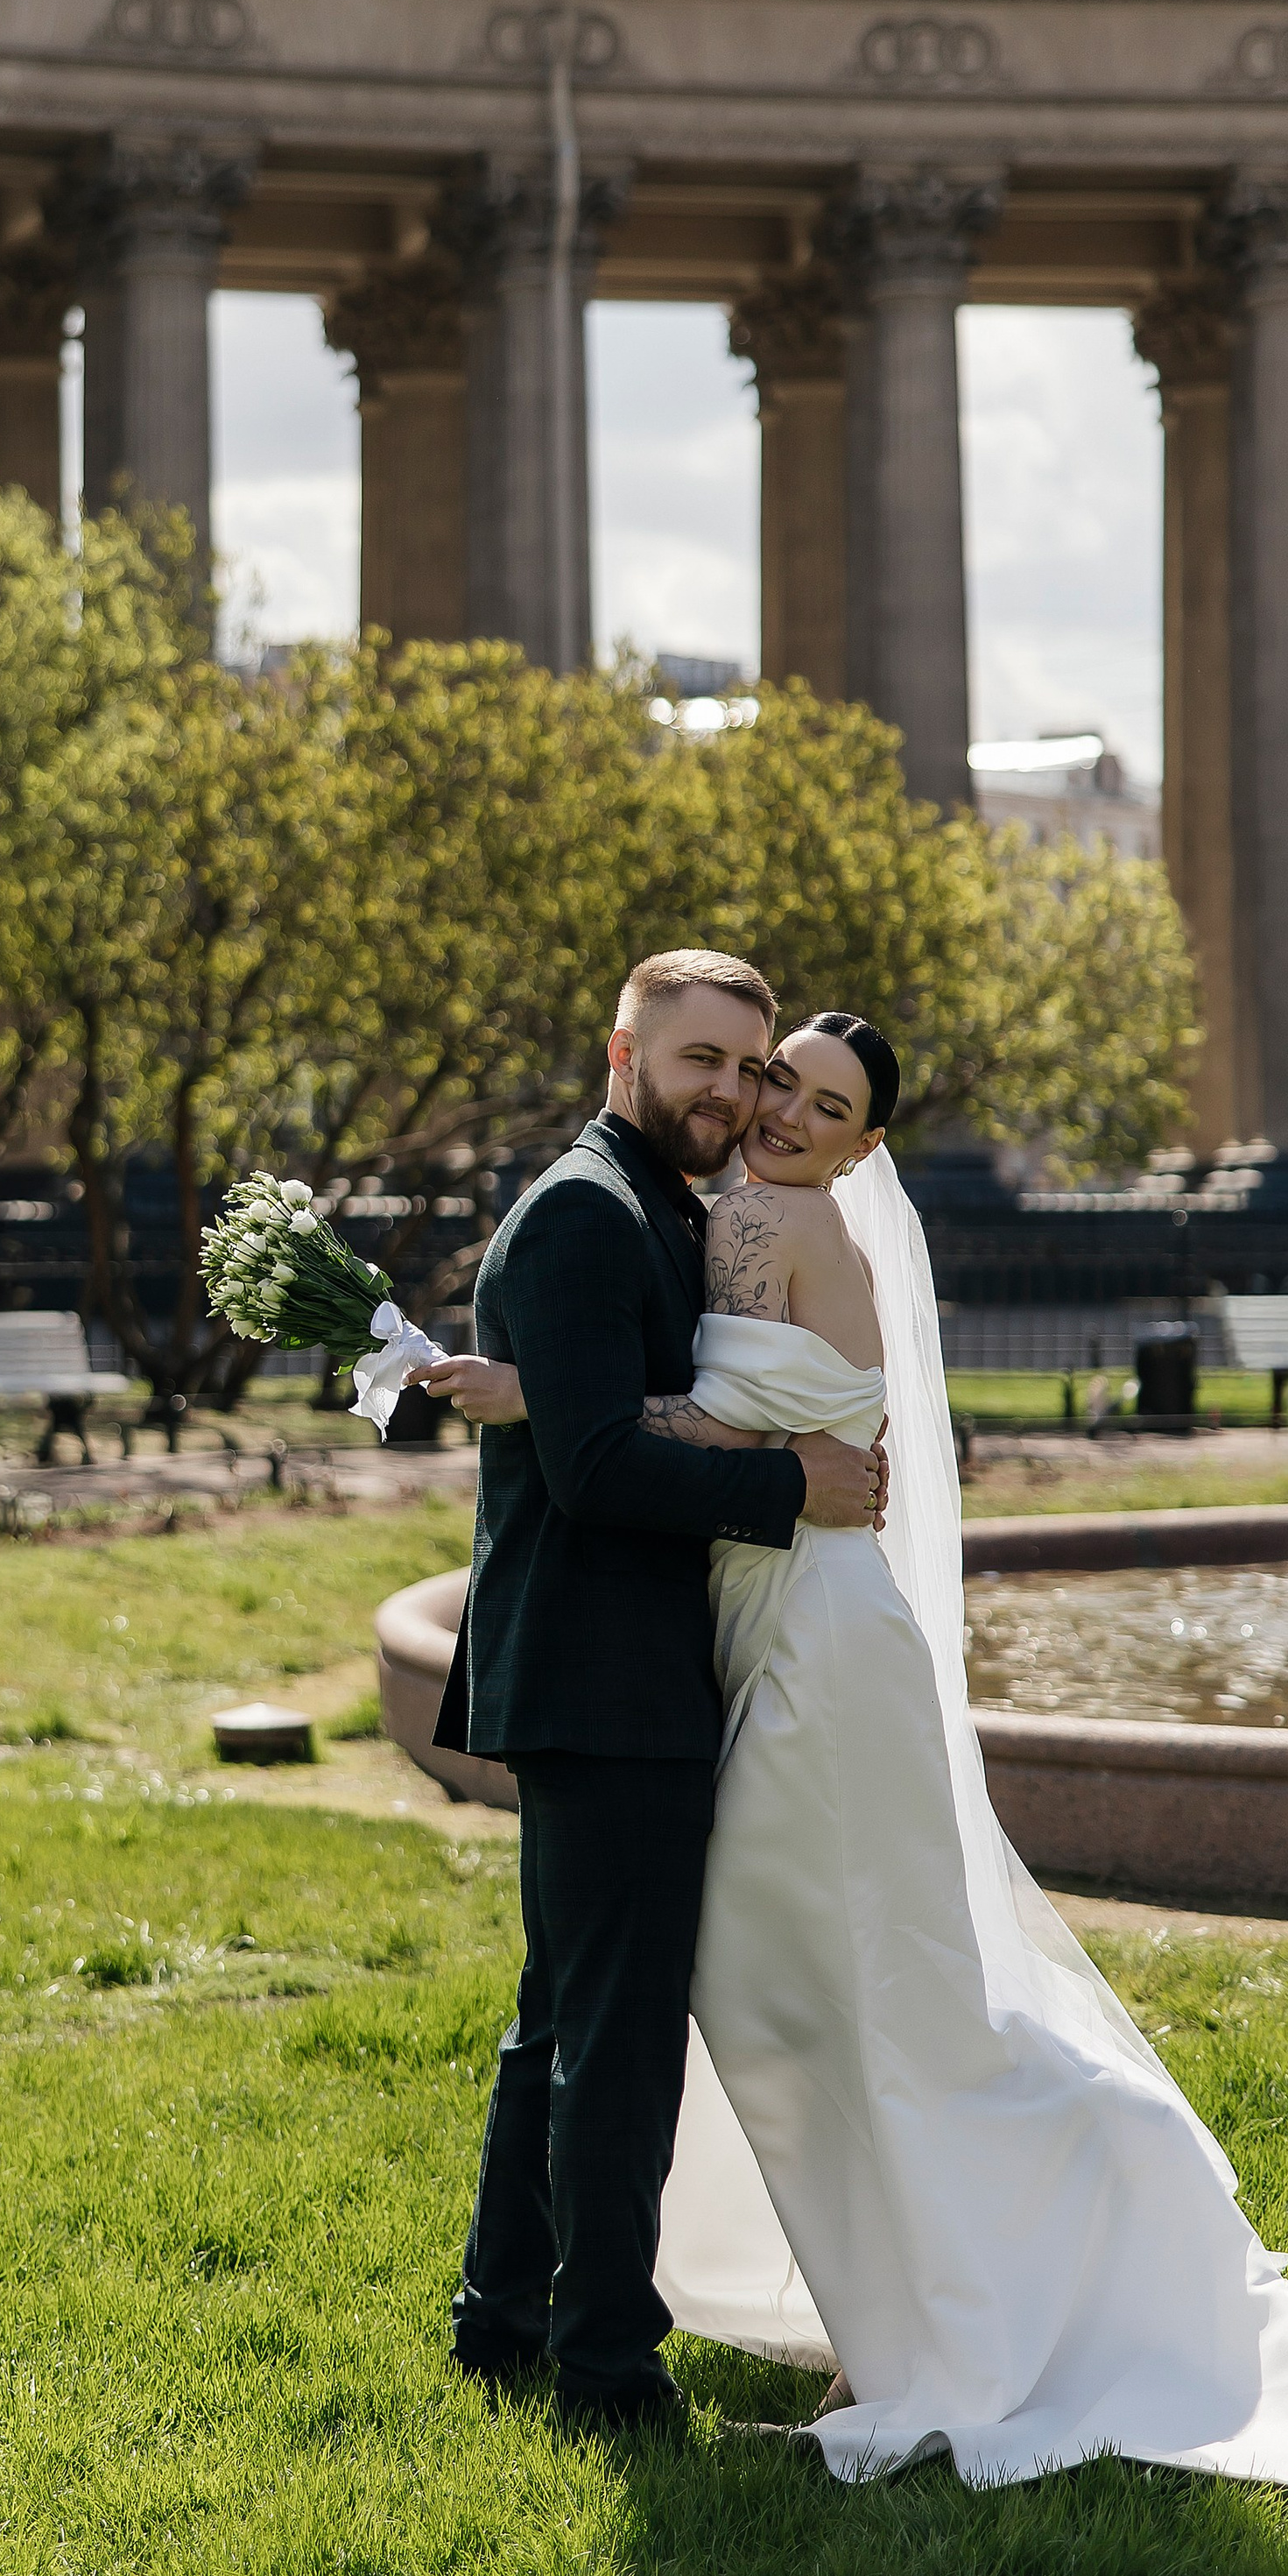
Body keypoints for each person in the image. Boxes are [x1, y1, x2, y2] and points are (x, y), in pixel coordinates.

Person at [445, 1012, 1288, 2489]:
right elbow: (697, 1417)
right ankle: (845, 2307)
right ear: (653, 1058)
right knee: (807, 1985)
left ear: (865, 1142)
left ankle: (993, 2260)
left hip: (813, 1646)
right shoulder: (717, 1213)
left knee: (826, 1989)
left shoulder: (770, 1224)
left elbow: (694, 1419)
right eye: (768, 1077)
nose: (774, 1108)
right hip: (776, 1624)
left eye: (818, 1100)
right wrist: (571, 1402)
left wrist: (551, 1400)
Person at [425, 950, 886, 2434]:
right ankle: (608, 2377)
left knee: (567, 2020)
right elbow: (599, 1472)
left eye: (749, 1069)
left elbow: (597, 1412)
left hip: (608, 1671)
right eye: (702, 1061)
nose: (731, 1094)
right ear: (623, 1050)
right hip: (604, 1678)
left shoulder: (658, 1207)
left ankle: (501, 2328)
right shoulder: (583, 1210)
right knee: (612, 2046)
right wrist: (792, 1484)